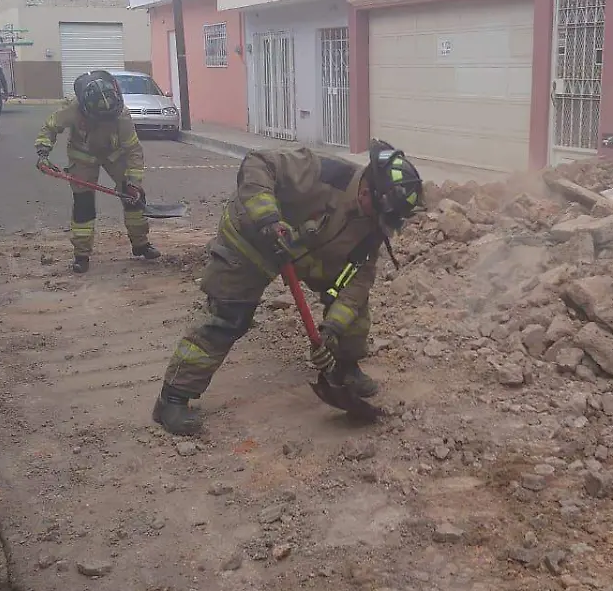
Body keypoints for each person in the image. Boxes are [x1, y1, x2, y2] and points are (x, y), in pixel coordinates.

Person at [151, 139, 424, 436]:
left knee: (353, 311)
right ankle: (173, 398)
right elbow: (258, 163)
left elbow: (356, 283)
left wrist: (331, 331)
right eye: (382, 214)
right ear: (368, 189)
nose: (381, 223)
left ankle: (345, 369)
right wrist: (268, 218)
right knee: (228, 317)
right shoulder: (324, 173)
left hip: (306, 253)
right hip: (253, 238)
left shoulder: (374, 225)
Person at [34, 70, 161, 273]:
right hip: (82, 158)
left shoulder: (122, 115)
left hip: (114, 156)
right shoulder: (73, 109)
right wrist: (43, 152)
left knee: (134, 198)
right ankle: (81, 255)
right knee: (84, 205)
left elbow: (133, 151)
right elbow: (50, 126)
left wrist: (134, 183)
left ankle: (141, 244)